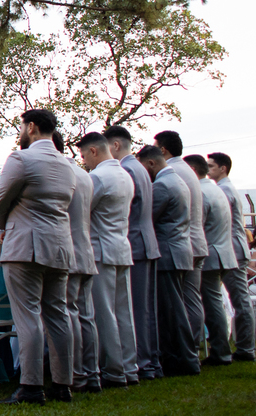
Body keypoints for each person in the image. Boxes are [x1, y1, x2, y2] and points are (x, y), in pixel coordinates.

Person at [0, 109, 76, 405]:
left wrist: (4, 225)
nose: (21, 132)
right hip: (60, 245)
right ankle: (62, 385)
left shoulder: (21, 159)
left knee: (27, 316)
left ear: (32, 127)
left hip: (25, 246)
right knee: (58, 315)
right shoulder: (68, 165)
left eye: (22, 126)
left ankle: (31, 385)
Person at [79, 132, 137, 390]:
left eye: (84, 156)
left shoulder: (98, 177)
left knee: (104, 313)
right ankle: (129, 367)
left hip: (101, 248)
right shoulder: (125, 175)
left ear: (93, 151)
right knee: (124, 312)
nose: (84, 161)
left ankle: (113, 370)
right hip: (122, 247)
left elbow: (83, 210)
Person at [137, 145, 199, 376]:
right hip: (179, 250)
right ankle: (182, 358)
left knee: (172, 311)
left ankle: (184, 360)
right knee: (175, 308)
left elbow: (147, 217)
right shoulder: (178, 181)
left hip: (168, 253)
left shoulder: (162, 185)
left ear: (151, 163)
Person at [106, 125, 159, 381]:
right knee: (146, 309)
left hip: (134, 242)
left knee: (135, 310)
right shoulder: (140, 168)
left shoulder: (126, 169)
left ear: (115, 145)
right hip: (146, 241)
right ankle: (151, 361)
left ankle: (143, 363)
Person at [155, 131, 206, 353]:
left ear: (163, 150)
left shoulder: (172, 172)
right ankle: (192, 347)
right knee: (192, 299)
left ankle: (187, 349)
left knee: (180, 301)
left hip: (182, 242)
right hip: (195, 240)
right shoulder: (188, 170)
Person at [183, 154, 235, 365]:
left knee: (210, 305)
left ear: (193, 171)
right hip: (222, 251)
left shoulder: (202, 192)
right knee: (214, 304)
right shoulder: (215, 189)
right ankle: (220, 349)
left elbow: (197, 225)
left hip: (210, 254)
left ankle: (220, 351)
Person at [205, 151, 256, 361]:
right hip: (233, 247)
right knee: (238, 299)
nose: (207, 170)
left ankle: (245, 348)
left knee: (239, 300)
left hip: (232, 249)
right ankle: (242, 347)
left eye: (211, 166)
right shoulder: (226, 188)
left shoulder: (224, 190)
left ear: (223, 168)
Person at [64, 136, 99, 394]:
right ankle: (92, 373)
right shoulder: (86, 175)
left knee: (68, 312)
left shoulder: (62, 174)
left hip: (69, 253)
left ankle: (75, 374)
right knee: (87, 316)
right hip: (87, 250)